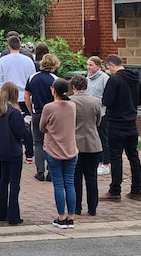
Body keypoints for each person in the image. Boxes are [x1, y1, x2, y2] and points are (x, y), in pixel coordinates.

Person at [100, 54, 141, 201]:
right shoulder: (135, 80)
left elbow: (107, 101)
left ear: (111, 65)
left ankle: (115, 191)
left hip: (116, 123)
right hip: (131, 122)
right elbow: (138, 101)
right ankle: (136, 190)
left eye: (108, 68)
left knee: (116, 157)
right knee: (133, 156)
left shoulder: (115, 80)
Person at [0, 81, 34, 225]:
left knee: (3, 180)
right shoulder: (14, 112)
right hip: (13, 151)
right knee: (15, 183)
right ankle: (14, 215)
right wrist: (26, 125)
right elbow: (21, 132)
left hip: (0, 150)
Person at [40, 78, 78, 229]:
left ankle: (61, 217)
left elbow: (42, 126)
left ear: (54, 90)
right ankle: (71, 217)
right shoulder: (72, 105)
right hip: (71, 149)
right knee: (70, 183)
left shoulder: (49, 107)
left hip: (54, 149)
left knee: (58, 184)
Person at [24, 53, 60, 182]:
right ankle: (51, 171)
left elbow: (26, 95)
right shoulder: (55, 79)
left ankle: (40, 171)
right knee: (52, 142)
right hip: (52, 114)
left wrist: (31, 110)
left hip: (37, 112)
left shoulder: (33, 77)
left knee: (38, 142)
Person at [70, 75, 102, 216]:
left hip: (75, 143)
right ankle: (92, 208)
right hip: (93, 143)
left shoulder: (69, 102)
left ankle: (77, 207)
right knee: (91, 177)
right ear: (86, 86)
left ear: (73, 87)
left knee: (76, 177)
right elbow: (98, 121)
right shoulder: (95, 102)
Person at [0, 35, 37, 115]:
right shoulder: (28, 61)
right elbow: (32, 80)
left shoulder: (2, 61)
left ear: (9, 46)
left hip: (8, 98)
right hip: (24, 98)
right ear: (20, 46)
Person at [86, 56, 111, 175]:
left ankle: (105, 163)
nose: (88, 67)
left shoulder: (104, 78)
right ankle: (98, 160)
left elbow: (107, 96)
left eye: (91, 65)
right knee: (94, 137)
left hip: (102, 112)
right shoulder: (88, 77)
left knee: (103, 137)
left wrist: (95, 101)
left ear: (98, 66)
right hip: (90, 112)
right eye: (87, 65)